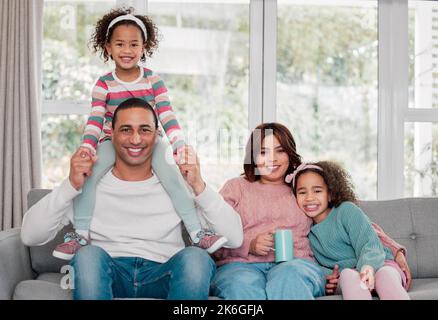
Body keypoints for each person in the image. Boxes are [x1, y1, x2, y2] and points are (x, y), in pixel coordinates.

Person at [21, 98, 243, 300]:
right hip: (106, 273)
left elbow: (235, 239)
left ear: (157, 134)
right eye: (126, 130)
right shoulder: (87, 185)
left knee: (197, 258)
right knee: (87, 255)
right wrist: (70, 185)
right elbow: (30, 235)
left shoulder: (178, 186)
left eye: (144, 130)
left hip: (163, 273)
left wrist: (198, 185)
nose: (135, 139)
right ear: (112, 132)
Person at [52, 8, 227, 260]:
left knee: (174, 178)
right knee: (87, 178)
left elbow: (167, 116)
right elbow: (95, 120)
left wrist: (178, 145)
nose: (127, 50)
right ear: (108, 47)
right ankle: (80, 234)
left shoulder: (153, 81)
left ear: (144, 47)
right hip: (111, 142)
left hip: (151, 143)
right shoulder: (104, 84)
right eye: (120, 44)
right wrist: (88, 147)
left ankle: (197, 232)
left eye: (134, 44)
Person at [210, 122, 410, 300]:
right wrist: (248, 244)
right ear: (252, 157)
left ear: (290, 154)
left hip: (296, 266)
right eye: (263, 152)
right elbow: (210, 233)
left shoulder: (300, 186)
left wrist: (396, 251)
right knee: (241, 288)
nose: (272, 159)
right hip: (240, 265)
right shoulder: (237, 187)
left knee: (290, 278)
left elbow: (359, 227)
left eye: (280, 150)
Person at [289, 161, 410, 299]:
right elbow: (310, 263)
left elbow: (369, 244)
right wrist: (328, 277)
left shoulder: (346, 211)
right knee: (347, 275)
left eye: (317, 191)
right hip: (348, 277)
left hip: (379, 265)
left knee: (385, 275)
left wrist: (368, 267)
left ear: (330, 194)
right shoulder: (303, 230)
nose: (309, 198)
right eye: (302, 192)